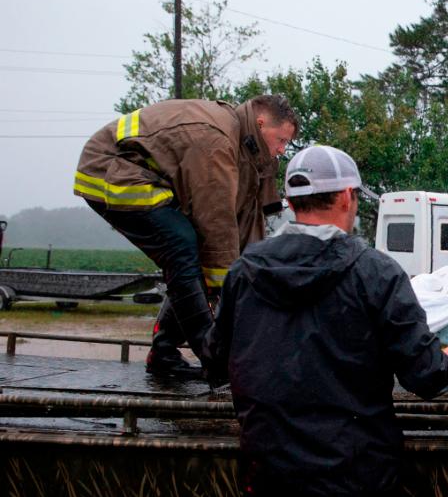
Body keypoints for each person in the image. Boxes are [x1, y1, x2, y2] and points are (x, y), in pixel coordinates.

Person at [205, 144, 448, 497]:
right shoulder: (376, 272)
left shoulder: (243, 273)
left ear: (290, 203)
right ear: (348, 196)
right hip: (357, 487)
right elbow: (424, 375)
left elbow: (215, 361)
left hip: (270, 483)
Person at [73, 95, 299, 381]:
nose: (280, 151)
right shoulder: (217, 140)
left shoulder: (246, 147)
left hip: (148, 176)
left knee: (191, 255)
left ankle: (164, 354)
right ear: (261, 122)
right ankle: (212, 356)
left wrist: (242, 274)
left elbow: (245, 219)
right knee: (182, 245)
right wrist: (225, 289)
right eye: (280, 140)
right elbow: (216, 222)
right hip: (111, 170)